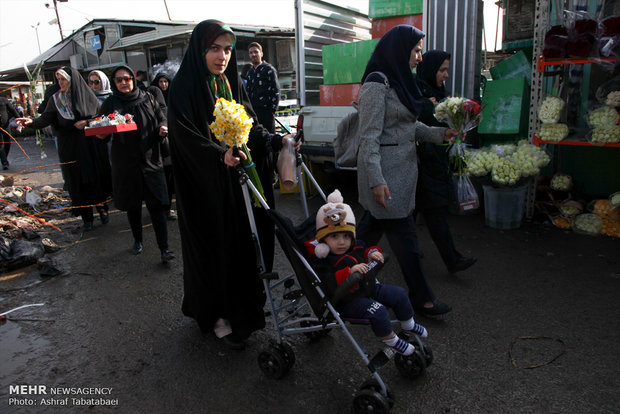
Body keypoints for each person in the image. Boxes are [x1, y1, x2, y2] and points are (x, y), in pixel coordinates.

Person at [167, 20, 298, 349]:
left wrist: (272, 139)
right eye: (214, 48)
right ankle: (218, 316)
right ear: (200, 50)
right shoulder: (185, 86)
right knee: (216, 248)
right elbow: (184, 137)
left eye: (227, 49)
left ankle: (244, 311)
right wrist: (217, 155)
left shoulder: (229, 82)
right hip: (205, 189)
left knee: (243, 246)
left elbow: (248, 123)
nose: (222, 56)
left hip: (236, 182)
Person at [355, 25, 458, 317]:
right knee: (406, 240)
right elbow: (369, 137)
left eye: (420, 50)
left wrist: (440, 134)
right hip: (386, 176)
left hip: (401, 172)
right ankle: (422, 299)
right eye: (415, 50)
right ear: (399, 49)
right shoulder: (377, 84)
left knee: (366, 234)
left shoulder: (399, 80)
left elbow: (407, 126)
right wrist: (376, 180)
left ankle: (336, 276)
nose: (419, 57)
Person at [309, 190, 428, 355]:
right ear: (323, 241)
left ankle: (408, 323)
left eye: (346, 236)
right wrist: (348, 272)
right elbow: (326, 282)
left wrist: (372, 252)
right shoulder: (324, 260)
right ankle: (391, 340)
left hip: (368, 286)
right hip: (347, 301)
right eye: (334, 237)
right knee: (378, 310)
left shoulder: (355, 245)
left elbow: (366, 248)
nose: (342, 242)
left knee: (399, 294)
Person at [16, 67, 112, 230]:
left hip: (89, 145)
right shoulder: (56, 99)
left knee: (94, 178)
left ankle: (102, 209)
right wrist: (32, 122)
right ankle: (86, 216)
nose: (61, 83)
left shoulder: (87, 96)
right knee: (76, 180)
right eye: (58, 80)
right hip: (69, 146)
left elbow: (101, 118)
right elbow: (46, 117)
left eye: (64, 79)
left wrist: (86, 123)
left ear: (72, 80)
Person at [96, 65, 174, 264]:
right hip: (126, 163)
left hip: (150, 160)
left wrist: (163, 126)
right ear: (114, 83)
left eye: (127, 78)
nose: (123, 82)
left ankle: (164, 248)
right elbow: (100, 132)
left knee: (156, 206)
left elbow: (160, 117)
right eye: (119, 80)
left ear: (133, 78)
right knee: (133, 206)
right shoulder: (110, 104)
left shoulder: (148, 98)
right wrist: (102, 130)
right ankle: (137, 240)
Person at [415, 50, 477, 274]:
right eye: (442, 70)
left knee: (412, 213)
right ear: (431, 69)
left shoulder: (439, 93)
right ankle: (452, 260)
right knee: (434, 211)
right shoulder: (416, 91)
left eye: (447, 69)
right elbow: (414, 124)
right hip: (422, 163)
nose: (446, 74)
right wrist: (426, 106)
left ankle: (409, 250)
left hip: (436, 161)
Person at [149, 73, 176, 221]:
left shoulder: (173, 96)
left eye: (166, 81)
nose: (164, 84)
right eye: (161, 81)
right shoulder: (152, 94)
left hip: (168, 146)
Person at [246, 42, 280, 133]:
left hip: (267, 111)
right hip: (254, 112)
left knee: (269, 139)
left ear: (261, 53)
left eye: (256, 52)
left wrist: (272, 110)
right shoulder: (250, 72)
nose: (253, 54)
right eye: (251, 53)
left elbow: (276, 90)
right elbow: (248, 92)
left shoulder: (269, 69)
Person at [0, 94, 20, 170]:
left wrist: (19, 119)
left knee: (8, 143)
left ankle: (4, 157)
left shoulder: (3, 100)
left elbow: (12, 110)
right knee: (1, 145)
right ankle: (4, 162)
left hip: (5, 126)